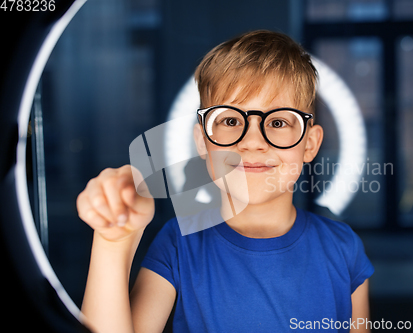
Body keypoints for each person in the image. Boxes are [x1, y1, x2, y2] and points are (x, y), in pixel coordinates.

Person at [77, 30, 373, 333]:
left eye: (279, 121)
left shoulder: (343, 246)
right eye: (231, 121)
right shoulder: (179, 243)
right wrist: (113, 242)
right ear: (203, 142)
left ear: (309, 145)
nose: (253, 142)